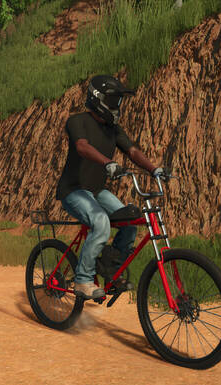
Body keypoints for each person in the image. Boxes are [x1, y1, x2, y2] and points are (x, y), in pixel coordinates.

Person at [55, 75, 169, 300]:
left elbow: (132, 151)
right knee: (101, 222)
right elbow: (82, 146)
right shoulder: (77, 121)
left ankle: (111, 270)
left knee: (130, 223)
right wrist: (108, 162)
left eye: (118, 101)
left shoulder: (113, 129)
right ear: (98, 99)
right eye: (113, 100)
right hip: (74, 190)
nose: (117, 105)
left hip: (97, 191)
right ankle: (83, 280)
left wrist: (154, 169)